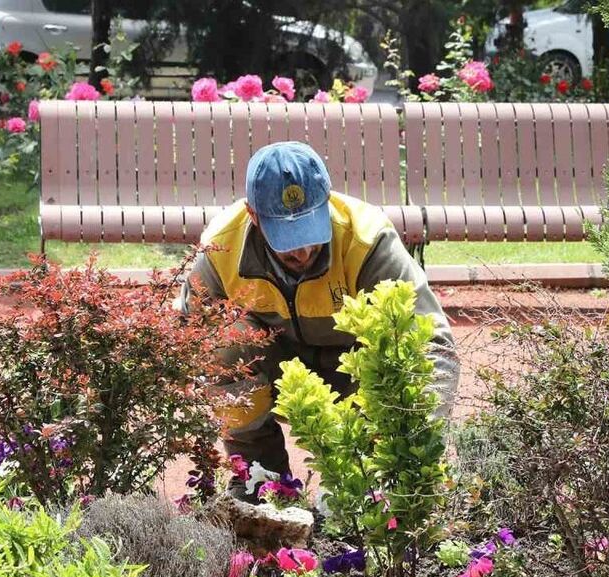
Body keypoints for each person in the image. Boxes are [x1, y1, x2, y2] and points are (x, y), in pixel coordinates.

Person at [181, 141, 459, 496]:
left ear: (327, 200)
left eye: (310, 230)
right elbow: (191, 338)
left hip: (359, 377)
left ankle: (372, 485)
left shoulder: (367, 239)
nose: (302, 251)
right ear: (253, 215)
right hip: (277, 372)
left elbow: (431, 344)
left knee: (400, 360)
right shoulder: (222, 247)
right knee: (219, 343)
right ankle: (259, 479)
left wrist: (416, 441)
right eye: (286, 237)